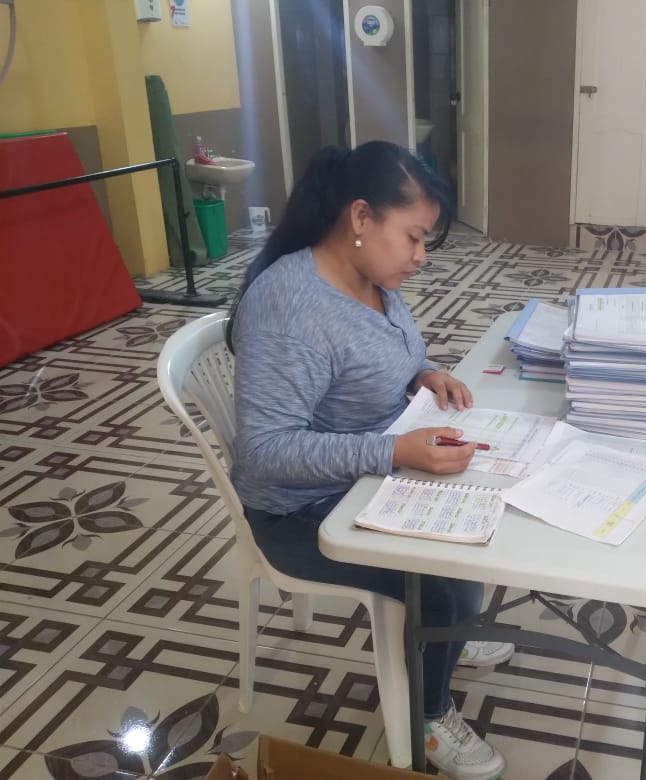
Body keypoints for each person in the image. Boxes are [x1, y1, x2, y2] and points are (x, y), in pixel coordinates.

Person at [226, 142, 507, 780]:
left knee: (477, 516)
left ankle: (447, 633)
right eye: (413, 236)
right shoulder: (290, 308)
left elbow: (382, 353)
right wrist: (393, 450)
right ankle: (427, 717)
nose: (421, 255)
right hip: (298, 514)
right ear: (360, 217)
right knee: (448, 575)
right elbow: (265, 452)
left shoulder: (370, 279)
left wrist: (423, 373)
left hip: (362, 476)